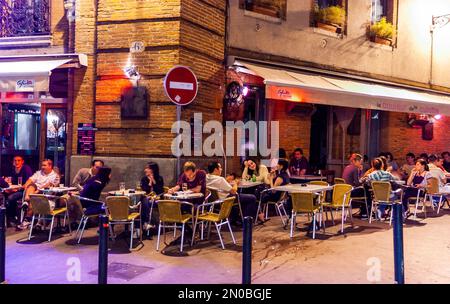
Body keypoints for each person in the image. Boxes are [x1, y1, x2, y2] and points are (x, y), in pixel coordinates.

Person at [17, 159, 60, 229]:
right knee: (31, 186)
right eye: (42, 165)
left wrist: (37, 191)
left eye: (44, 165)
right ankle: (26, 202)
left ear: (50, 166)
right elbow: (30, 180)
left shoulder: (55, 176)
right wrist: (24, 186)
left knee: (34, 197)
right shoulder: (39, 173)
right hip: (34, 193)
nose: (42, 167)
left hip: (45, 195)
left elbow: (48, 186)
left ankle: (27, 216)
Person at [3, 156, 33, 225]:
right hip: (12, 189)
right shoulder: (11, 170)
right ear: (13, 162)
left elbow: (29, 182)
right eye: (15, 161)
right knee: (4, 195)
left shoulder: (26, 169)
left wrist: (16, 189)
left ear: (22, 161)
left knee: (10, 198)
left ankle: (13, 217)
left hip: (23, 190)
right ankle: (7, 218)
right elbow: (8, 181)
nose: (17, 162)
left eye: (19, 160)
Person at [258, 159, 290, 223]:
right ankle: (261, 214)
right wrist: (272, 175)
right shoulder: (285, 174)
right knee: (259, 192)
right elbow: (269, 178)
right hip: (279, 196)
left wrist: (271, 180)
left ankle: (260, 215)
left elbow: (273, 190)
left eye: (278, 164)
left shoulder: (280, 178)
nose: (276, 165)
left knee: (257, 197)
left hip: (275, 197)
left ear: (281, 166)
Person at [140, 162, 164, 230]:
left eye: (147, 168)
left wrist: (153, 180)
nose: (145, 170)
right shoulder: (144, 179)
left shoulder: (159, 178)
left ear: (152, 170)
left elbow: (160, 191)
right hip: (147, 200)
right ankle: (147, 222)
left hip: (157, 200)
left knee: (145, 202)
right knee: (145, 201)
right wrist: (150, 182)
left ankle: (146, 223)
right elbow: (145, 191)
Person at [342, 153, 368, 218]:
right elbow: (357, 183)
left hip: (345, 191)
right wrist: (363, 179)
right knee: (365, 191)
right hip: (350, 191)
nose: (360, 164)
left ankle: (363, 211)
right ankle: (364, 213)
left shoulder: (347, 167)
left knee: (363, 190)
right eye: (360, 162)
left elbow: (355, 180)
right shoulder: (355, 168)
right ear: (355, 161)